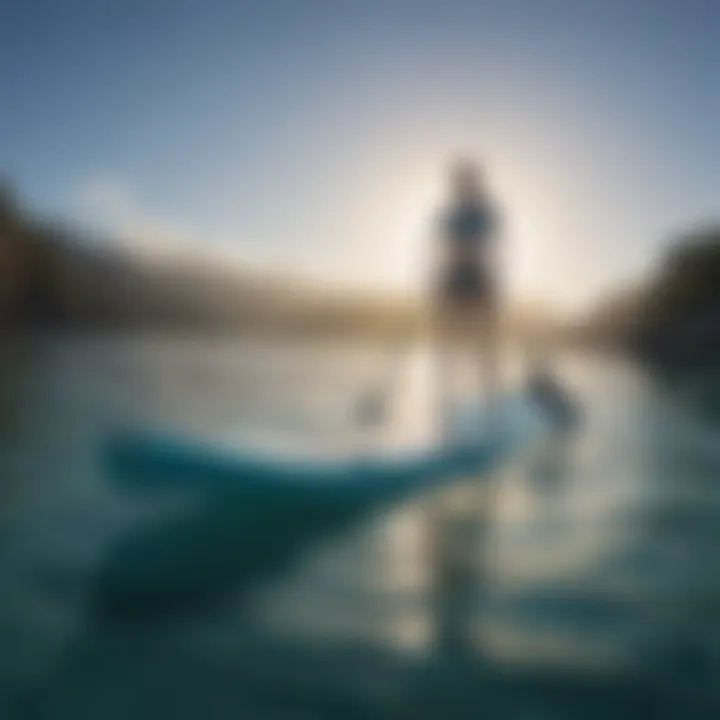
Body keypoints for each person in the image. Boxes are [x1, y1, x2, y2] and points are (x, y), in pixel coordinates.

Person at [432, 160, 500, 436]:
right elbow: (442, 248)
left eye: (466, 181)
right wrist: (441, 279)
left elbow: (484, 244)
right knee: (447, 342)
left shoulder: (486, 211)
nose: (461, 186)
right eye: (458, 182)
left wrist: (462, 252)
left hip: (479, 280)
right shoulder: (447, 215)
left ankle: (490, 408)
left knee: (485, 344)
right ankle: (447, 406)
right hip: (451, 280)